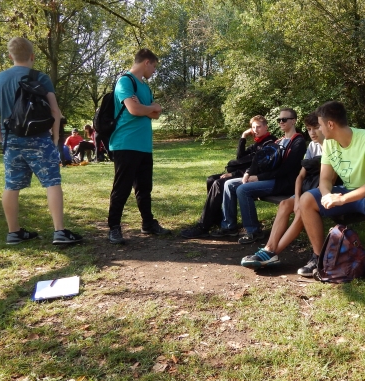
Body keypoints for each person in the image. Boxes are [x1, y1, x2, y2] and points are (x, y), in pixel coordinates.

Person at [0, 37, 83, 245]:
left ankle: (14, 232)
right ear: (32, 56)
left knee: (11, 186)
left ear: (10, 56)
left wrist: (2, 139)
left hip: (11, 141)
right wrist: (56, 137)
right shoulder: (40, 77)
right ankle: (59, 231)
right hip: (40, 140)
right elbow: (55, 111)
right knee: (52, 182)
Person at [297, 101, 365, 292]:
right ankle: (319, 258)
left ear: (330, 125)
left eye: (320, 125)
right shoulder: (329, 145)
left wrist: (341, 199)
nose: (319, 129)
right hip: (349, 190)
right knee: (306, 199)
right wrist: (326, 195)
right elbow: (324, 179)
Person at [241, 112, 325, 267]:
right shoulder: (312, 146)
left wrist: (302, 202)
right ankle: (269, 247)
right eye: (309, 129)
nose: (312, 132)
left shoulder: (330, 146)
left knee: (301, 212)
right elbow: (300, 177)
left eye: (316, 128)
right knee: (285, 204)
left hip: (322, 191)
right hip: (308, 188)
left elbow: (327, 181)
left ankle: (272, 253)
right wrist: (297, 198)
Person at [212, 108, 307, 244]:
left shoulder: (298, 142)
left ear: (293, 121)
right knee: (229, 184)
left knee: (243, 190)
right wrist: (248, 173)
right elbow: (259, 160)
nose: (281, 122)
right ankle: (229, 226)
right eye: (279, 120)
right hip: (271, 178)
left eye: (284, 119)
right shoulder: (279, 141)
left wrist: (258, 178)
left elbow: (286, 169)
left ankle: (253, 231)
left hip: (284, 183)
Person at [107, 48, 169, 244]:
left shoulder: (145, 87)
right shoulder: (126, 81)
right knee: (122, 187)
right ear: (146, 62)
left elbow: (155, 114)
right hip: (125, 143)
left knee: (144, 188)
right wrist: (149, 107)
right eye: (154, 67)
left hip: (143, 145)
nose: (154, 71)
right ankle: (114, 227)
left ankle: (148, 223)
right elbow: (134, 110)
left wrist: (147, 108)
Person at [180, 115, 276, 239]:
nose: (255, 130)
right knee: (211, 179)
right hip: (244, 173)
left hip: (254, 177)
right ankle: (217, 218)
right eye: (253, 127)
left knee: (219, 183)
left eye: (258, 127)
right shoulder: (258, 142)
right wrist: (243, 137)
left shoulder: (269, 143)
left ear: (266, 127)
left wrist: (233, 174)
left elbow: (257, 166)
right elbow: (240, 157)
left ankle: (205, 225)